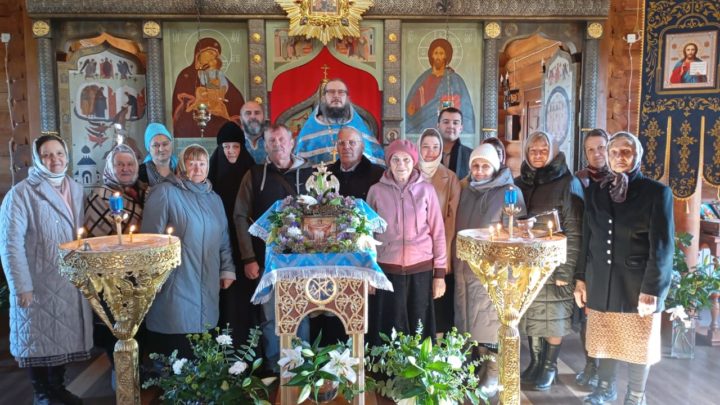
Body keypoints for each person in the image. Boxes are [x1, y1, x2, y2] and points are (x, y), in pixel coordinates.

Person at [575, 132, 673, 405]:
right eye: (614, 152)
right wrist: (581, 278)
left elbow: (662, 247)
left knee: (638, 341)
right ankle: (605, 388)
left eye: (626, 152)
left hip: (637, 284)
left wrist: (652, 290)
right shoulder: (596, 191)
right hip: (601, 280)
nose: (619, 157)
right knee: (605, 337)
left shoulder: (656, 192)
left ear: (637, 155)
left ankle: (636, 395)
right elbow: (587, 237)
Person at [0, 134, 93, 405]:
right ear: (38, 159)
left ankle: (57, 388)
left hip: (67, 279)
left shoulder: (75, 189)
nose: (55, 160)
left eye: (59, 153)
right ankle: (41, 392)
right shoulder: (21, 194)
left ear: (67, 156)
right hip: (37, 281)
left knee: (59, 336)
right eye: (47, 155)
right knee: (37, 339)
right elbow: (10, 244)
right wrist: (21, 286)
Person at [141, 144, 236, 358]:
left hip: (208, 280)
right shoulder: (165, 192)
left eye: (202, 163)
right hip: (176, 282)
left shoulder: (214, 199)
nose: (197, 168)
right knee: (177, 348)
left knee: (202, 346)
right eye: (191, 163)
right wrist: (152, 278)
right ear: (182, 166)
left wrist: (227, 269)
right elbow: (150, 239)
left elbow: (223, 239)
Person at [234, 124, 313, 371]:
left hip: (303, 261)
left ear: (292, 142)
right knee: (270, 316)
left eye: (281, 139)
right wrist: (248, 257)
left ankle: (301, 368)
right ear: (265, 146)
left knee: (302, 313)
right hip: (266, 260)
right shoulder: (255, 175)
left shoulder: (310, 173)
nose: (277, 144)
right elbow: (240, 215)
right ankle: (274, 367)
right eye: (271, 141)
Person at [454, 143, 526, 398]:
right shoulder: (465, 190)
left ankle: (493, 373)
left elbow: (516, 234)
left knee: (490, 323)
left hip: (493, 271)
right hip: (465, 268)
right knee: (470, 323)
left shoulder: (510, 192)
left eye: (485, 166)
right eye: (475, 165)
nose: (480, 171)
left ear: (495, 167)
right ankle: (477, 370)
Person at [515, 130, 584, 391]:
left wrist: (566, 271)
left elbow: (575, 230)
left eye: (543, 150)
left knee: (554, 317)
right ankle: (535, 363)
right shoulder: (520, 182)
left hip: (556, 266)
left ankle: (549, 366)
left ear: (553, 152)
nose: (537, 155)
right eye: (532, 150)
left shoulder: (568, 183)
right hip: (529, 266)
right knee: (533, 316)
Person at [367, 139, 447, 343]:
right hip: (386, 270)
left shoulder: (426, 190)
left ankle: (420, 364)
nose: (401, 165)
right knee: (388, 329)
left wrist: (439, 274)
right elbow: (367, 235)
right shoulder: (376, 191)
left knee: (419, 327)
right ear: (388, 162)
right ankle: (385, 365)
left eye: (406, 160)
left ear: (414, 162)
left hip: (420, 269)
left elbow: (438, 232)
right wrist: (369, 272)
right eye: (395, 160)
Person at [207, 122, 257, 344]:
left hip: (246, 246)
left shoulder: (252, 170)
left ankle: (248, 346)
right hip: (219, 245)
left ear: (241, 148)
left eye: (235, 147)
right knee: (223, 296)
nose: (230, 151)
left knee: (246, 297)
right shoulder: (211, 174)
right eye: (226, 147)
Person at [573, 128, 610, 389]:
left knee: (609, 317)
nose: (597, 153)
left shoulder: (620, 179)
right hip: (588, 251)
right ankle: (590, 364)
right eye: (591, 149)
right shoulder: (581, 180)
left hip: (612, 256)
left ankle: (606, 372)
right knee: (587, 315)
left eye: (601, 147)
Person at [416, 128, 460, 336]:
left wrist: (445, 257)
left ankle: (439, 348)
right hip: (416, 252)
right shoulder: (409, 173)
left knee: (440, 304)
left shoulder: (450, 178)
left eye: (435, 147)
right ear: (418, 148)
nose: (430, 152)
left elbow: (451, 220)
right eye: (426, 147)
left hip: (440, 248)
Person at [295, 78, 384, 165]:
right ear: (323, 98)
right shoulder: (311, 128)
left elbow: (373, 161)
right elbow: (299, 164)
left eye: (341, 92)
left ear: (347, 98)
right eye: (331, 92)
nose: (336, 96)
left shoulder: (358, 127)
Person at [171, 37, 244, 137]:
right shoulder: (186, 75)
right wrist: (194, 100)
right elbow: (181, 104)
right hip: (193, 123)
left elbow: (235, 98)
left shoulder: (217, 75)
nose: (213, 57)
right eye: (210, 53)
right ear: (198, 54)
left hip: (217, 122)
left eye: (215, 56)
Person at [405, 38, 475, 135]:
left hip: (446, 127)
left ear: (446, 56)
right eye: (436, 53)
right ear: (431, 55)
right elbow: (411, 107)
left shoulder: (454, 79)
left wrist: (442, 105)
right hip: (423, 128)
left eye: (441, 53)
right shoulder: (423, 78)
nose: (438, 57)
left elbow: (462, 106)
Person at [328, 126, 384, 200]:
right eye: (341, 143)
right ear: (337, 148)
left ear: (362, 147)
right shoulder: (326, 174)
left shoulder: (378, 176)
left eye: (352, 143)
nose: (346, 147)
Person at [138, 122, 178, 191]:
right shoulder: (139, 173)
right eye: (155, 145)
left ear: (171, 145)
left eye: (165, 144)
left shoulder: (182, 168)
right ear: (148, 148)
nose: (161, 149)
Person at [437, 107, 473, 180]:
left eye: (455, 123)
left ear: (461, 128)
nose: (451, 126)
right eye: (446, 122)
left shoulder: (471, 155)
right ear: (438, 125)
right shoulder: (427, 153)